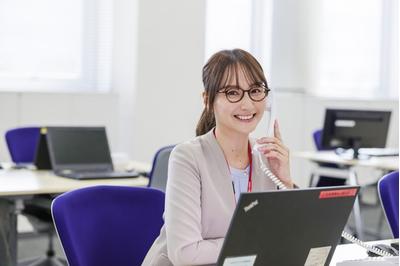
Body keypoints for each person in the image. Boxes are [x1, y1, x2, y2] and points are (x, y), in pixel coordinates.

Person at [142, 49, 295, 266]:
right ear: (208, 100)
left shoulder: (267, 160)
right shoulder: (188, 158)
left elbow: (291, 242)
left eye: (255, 90)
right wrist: (257, 243)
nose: (247, 104)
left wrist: (285, 183)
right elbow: (186, 254)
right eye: (232, 92)